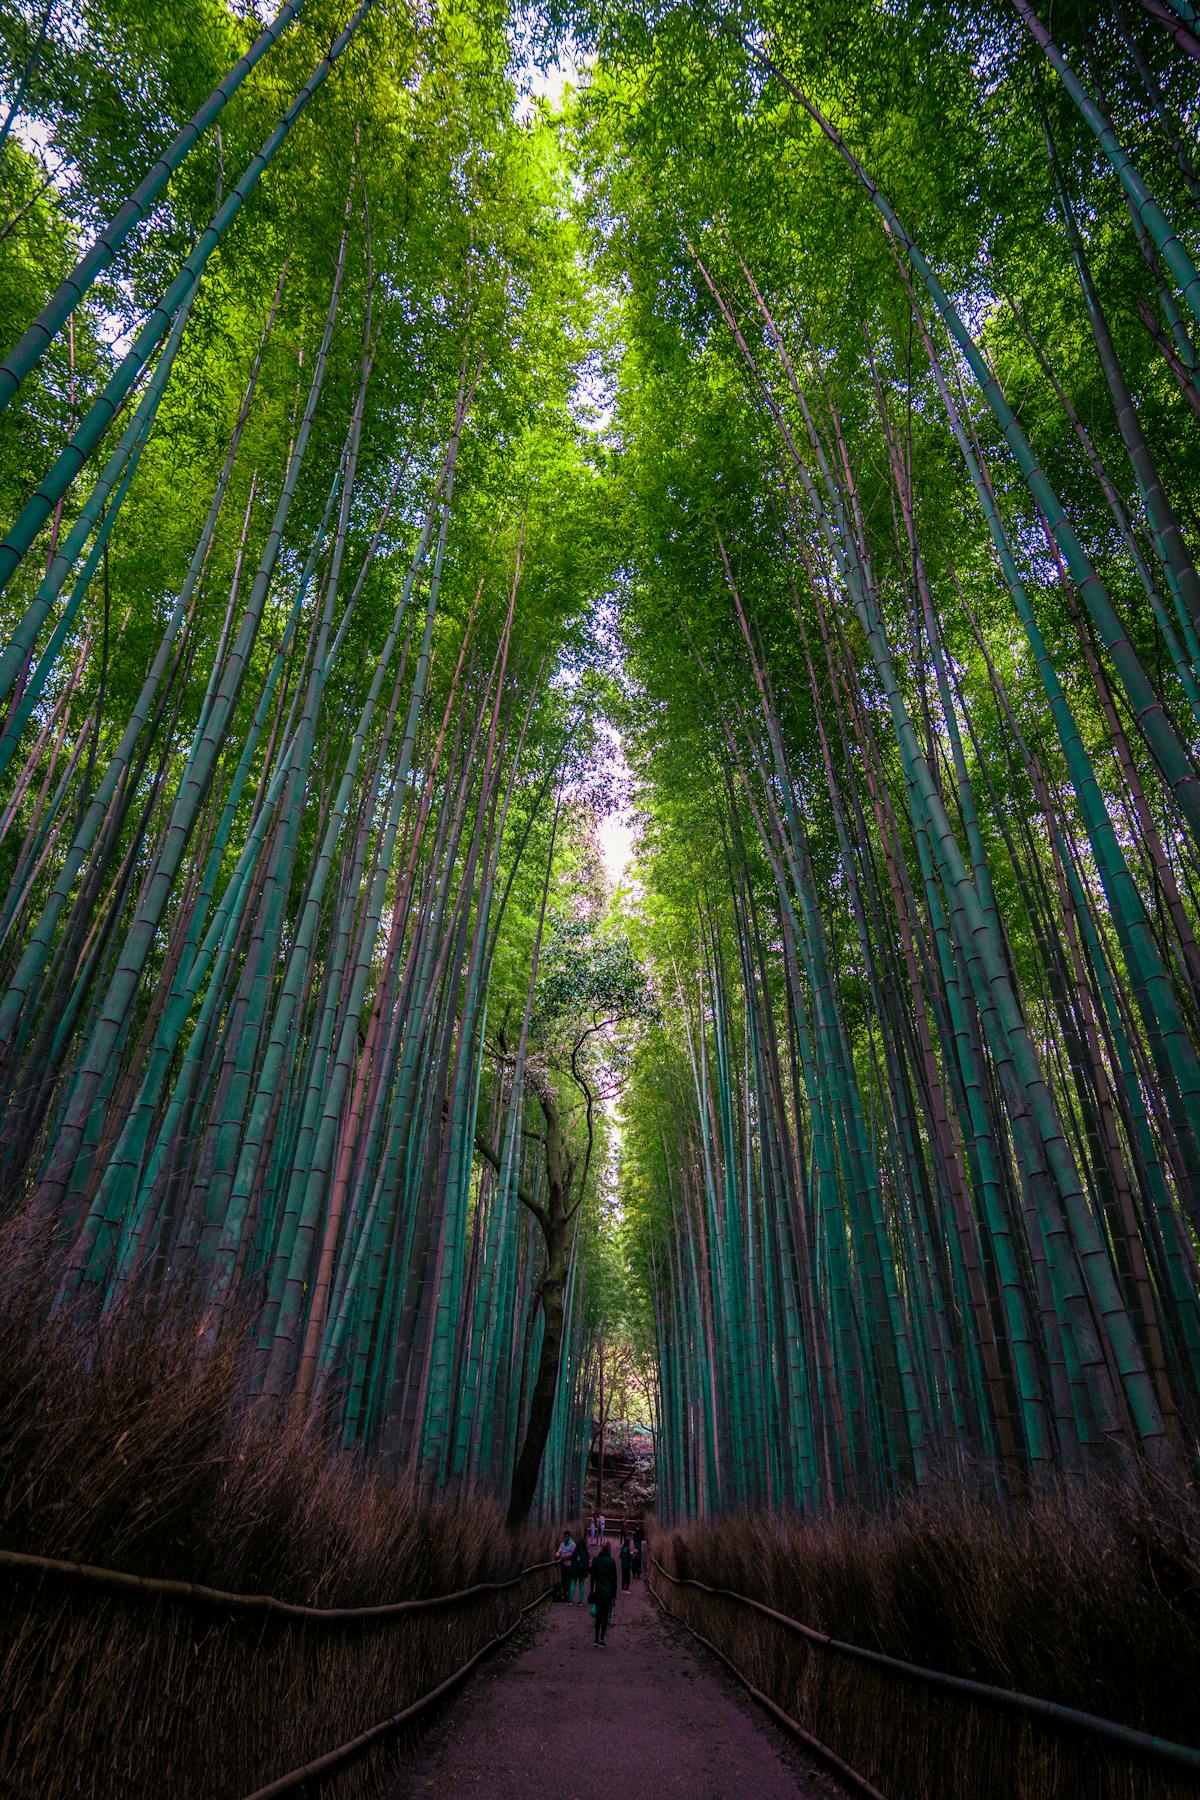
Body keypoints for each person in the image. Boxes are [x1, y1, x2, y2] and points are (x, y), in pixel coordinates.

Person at [589, 1538, 618, 1646]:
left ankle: (596, 1638)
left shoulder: (596, 1560)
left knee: (598, 1615)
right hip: (608, 1592)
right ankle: (602, 1638)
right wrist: (614, 1595)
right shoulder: (611, 1561)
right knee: (605, 1616)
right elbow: (614, 1580)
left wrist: (592, 1589)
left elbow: (592, 1577)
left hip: (598, 1591)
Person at [569, 1533, 590, 1605]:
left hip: (575, 1568)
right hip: (582, 1569)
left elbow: (572, 1559)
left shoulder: (576, 1551)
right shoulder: (585, 1552)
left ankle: (571, 1600)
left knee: (573, 1584)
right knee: (582, 1584)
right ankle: (581, 1601)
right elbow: (587, 1560)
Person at [555, 1529, 575, 1602]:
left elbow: (573, 1554)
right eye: (564, 1537)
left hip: (569, 1565)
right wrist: (557, 1554)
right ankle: (563, 1594)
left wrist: (567, 1556)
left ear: (569, 1537)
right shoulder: (562, 1544)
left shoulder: (572, 1544)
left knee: (568, 1580)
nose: (565, 1538)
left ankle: (568, 1594)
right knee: (563, 1579)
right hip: (563, 1564)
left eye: (566, 1537)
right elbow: (559, 1551)